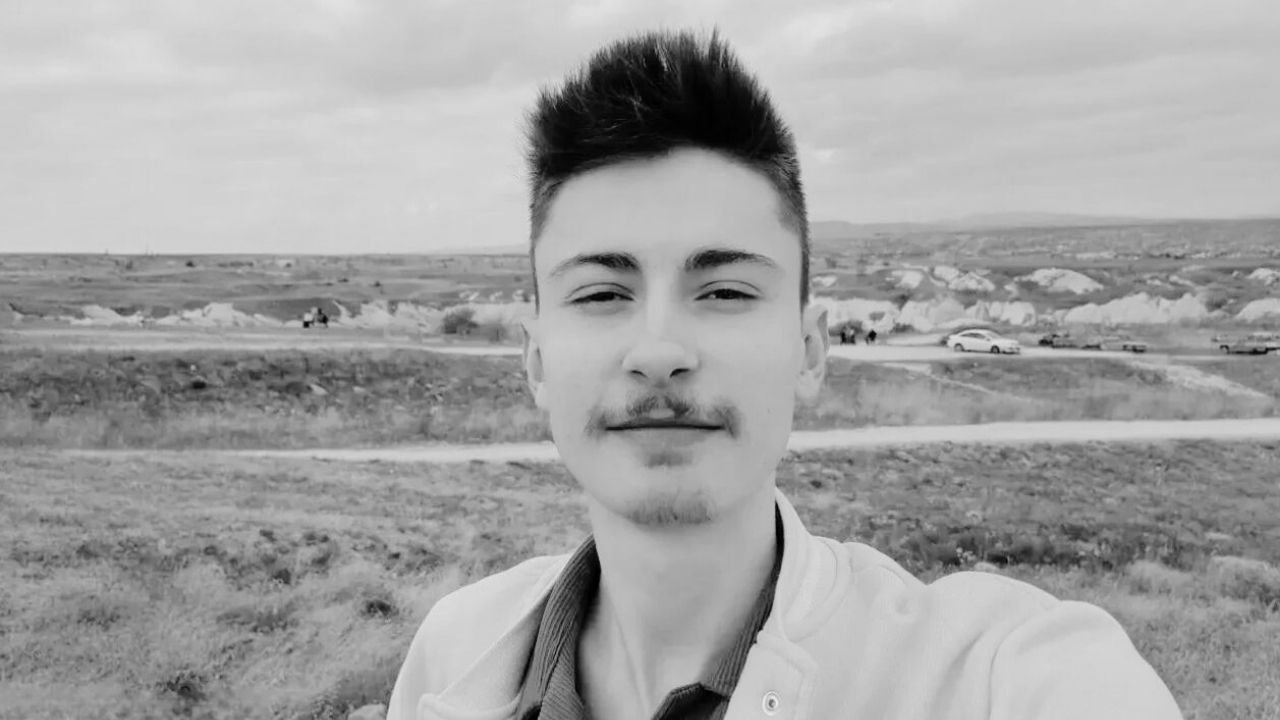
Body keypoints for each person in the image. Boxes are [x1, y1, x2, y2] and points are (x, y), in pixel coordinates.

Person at [387, 29, 1183, 720]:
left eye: (724, 291)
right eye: (601, 294)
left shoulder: (998, 675)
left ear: (810, 351)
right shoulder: (455, 653)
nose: (658, 349)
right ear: (535, 361)